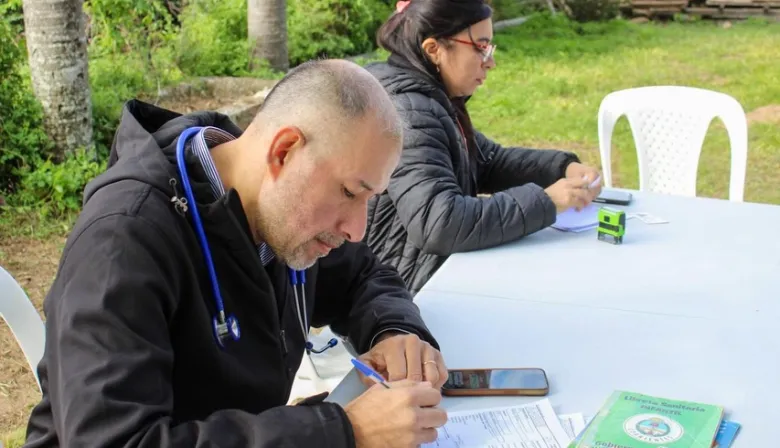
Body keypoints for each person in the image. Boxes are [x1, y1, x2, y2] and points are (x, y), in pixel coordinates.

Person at [23, 59, 450, 448]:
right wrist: (342, 432)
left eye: (369, 199)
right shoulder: (122, 241)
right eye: (348, 193)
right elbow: (115, 441)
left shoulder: (280, 215)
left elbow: (362, 277)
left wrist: (394, 332)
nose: (357, 229)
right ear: (284, 152)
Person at [362, 0, 604, 295]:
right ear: (433, 50)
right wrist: (548, 201)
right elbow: (440, 222)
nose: (490, 61)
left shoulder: (429, 100)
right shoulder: (409, 113)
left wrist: (561, 167)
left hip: (426, 276)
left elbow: (487, 161)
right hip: (404, 295)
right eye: (480, 47)